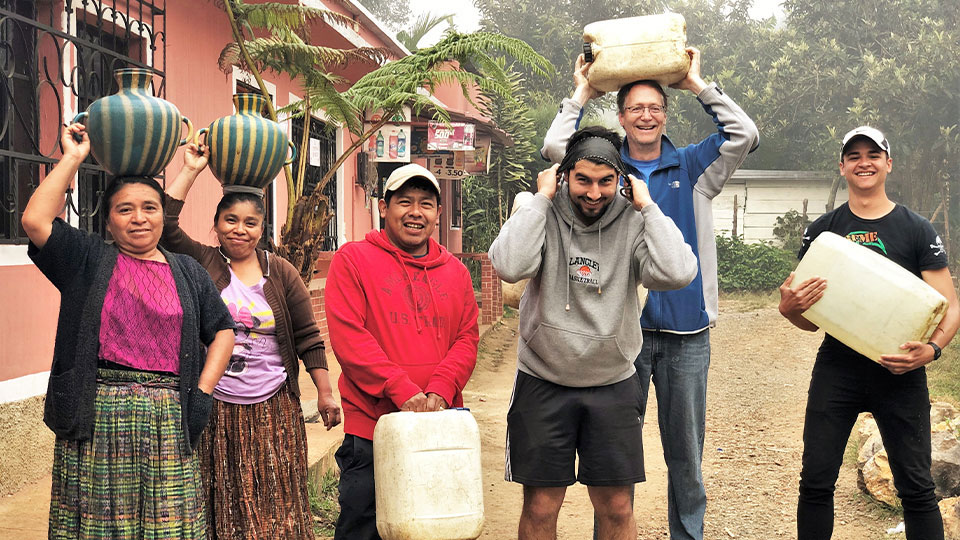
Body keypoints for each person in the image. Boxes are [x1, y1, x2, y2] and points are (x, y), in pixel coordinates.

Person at [541, 48, 760, 540]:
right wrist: (582, 92)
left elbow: (745, 135)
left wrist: (697, 85)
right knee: (616, 462)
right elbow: (555, 149)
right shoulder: (605, 172)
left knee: (685, 454)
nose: (645, 115)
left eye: (655, 107)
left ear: (665, 114)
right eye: (635, 107)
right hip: (621, 337)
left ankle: (688, 535)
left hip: (687, 333)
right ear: (620, 117)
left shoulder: (695, 167)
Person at [22, 123, 236, 539]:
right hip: (97, 415)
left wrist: (203, 394)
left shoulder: (188, 271)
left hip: (169, 417)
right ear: (109, 221)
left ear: (162, 214)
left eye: (150, 208)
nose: (139, 218)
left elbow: (223, 331)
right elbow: (34, 220)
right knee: (101, 526)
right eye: (125, 209)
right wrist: (72, 158)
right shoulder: (86, 260)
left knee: (168, 526)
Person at [490, 126, 699, 540]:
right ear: (564, 175)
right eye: (582, 179)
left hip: (613, 382)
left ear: (622, 180)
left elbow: (679, 272)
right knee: (540, 506)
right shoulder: (540, 210)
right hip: (543, 379)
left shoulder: (634, 220)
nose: (594, 192)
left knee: (617, 507)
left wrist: (649, 207)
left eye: (606, 181)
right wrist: (540, 199)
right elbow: (510, 267)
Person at [779, 126, 960, 540]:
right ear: (843, 166)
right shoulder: (823, 232)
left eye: (873, 154)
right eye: (854, 155)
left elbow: (950, 304)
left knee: (917, 488)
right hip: (837, 368)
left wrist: (930, 351)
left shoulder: (916, 230)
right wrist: (790, 311)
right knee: (816, 481)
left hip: (900, 371)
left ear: (888, 163)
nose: (864, 162)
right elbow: (811, 317)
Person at [160, 142, 342, 539]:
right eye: (229, 220)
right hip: (216, 404)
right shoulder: (201, 261)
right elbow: (165, 226)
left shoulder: (281, 272)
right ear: (216, 223)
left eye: (249, 223)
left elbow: (307, 337)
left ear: (262, 229)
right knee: (221, 495)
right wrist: (191, 169)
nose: (238, 230)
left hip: (273, 403)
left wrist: (325, 393)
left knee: (274, 498)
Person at [325, 163, 480, 540]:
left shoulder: (455, 272)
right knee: (364, 527)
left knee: (436, 528)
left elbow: (467, 337)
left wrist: (441, 389)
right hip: (372, 429)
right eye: (404, 202)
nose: (415, 212)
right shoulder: (353, 260)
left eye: (426, 204)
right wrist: (401, 389)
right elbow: (350, 338)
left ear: (438, 213)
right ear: (383, 207)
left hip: (437, 428)